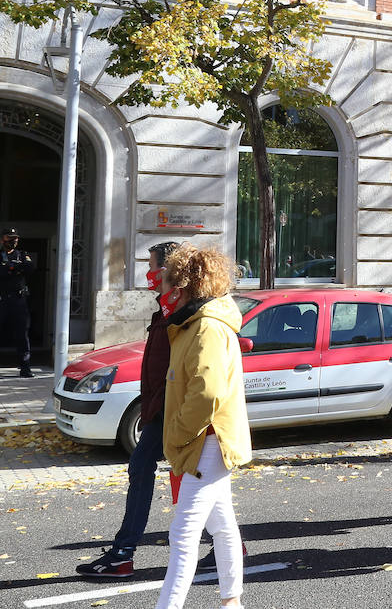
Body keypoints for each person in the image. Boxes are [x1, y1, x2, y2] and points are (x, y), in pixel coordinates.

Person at [76, 242, 180, 579]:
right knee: (191, 483)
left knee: (155, 473)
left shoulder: (181, 310)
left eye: (151, 266)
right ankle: (229, 548)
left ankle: (123, 554)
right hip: (159, 407)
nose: (147, 274)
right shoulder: (165, 308)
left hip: (170, 410)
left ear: (165, 270)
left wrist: (158, 403)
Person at [155, 244, 250, 609]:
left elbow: (206, 391)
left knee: (183, 534)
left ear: (182, 289)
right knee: (221, 525)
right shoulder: (196, 323)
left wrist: (177, 434)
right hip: (209, 440)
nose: (162, 293)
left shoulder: (206, 326)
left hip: (207, 442)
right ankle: (231, 602)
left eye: (166, 285)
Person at [0, 227, 36, 379]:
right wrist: (15, 269)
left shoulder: (22, 255)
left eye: (16, 238)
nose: (14, 241)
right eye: (10, 238)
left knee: (22, 334)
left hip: (18, 300)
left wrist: (10, 268)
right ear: (3, 240)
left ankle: (25, 367)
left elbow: (30, 267)